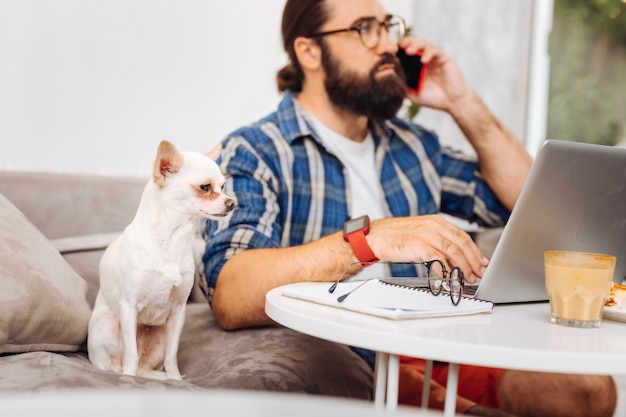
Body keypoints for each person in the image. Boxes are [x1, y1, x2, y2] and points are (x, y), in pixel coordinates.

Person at [200, 0, 617, 415]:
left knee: (587, 391)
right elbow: (232, 293)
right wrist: (370, 240)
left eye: (387, 26)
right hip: (351, 350)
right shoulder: (254, 151)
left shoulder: (413, 145)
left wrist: (460, 100)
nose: (387, 45)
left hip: (436, 339)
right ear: (309, 51)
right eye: (365, 28)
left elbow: (534, 204)